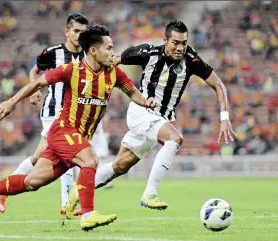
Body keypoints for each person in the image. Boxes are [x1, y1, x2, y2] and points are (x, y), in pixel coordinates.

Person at [0, 25, 157, 231]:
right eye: (108, 48)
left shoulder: (114, 73)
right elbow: (38, 83)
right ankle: (88, 214)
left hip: (78, 137)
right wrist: (11, 101)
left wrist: (146, 102)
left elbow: (132, 92)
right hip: (63, 131)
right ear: (93, 50)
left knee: (32, 182)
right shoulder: (71, 70)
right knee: (90, 160)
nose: (113, 53)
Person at [66, 19, 236, 216]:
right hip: (141, 112)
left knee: (120, 166)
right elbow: (111, 62)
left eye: (184, 43)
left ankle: (77, 193)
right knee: (175, 138)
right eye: (175, 43)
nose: (180, 48)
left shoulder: (192, 60)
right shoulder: (148, 53)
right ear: (165, 40)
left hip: (159, 118)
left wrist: (224, 118)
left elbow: (219, 85)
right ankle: (150, 193)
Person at [0, 13, 103, 216]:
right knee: (69, 153)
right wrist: (35, 90)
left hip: (76, 115)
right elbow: (34, 72)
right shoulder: (52, 53)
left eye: (83, 32)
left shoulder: (90, 54)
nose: (80, 35)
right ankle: (66, 205)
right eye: (76, 31)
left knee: (37, 157)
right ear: (67, 32)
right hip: (54, 112)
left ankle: (5, 190)